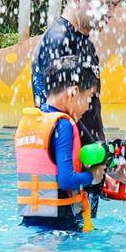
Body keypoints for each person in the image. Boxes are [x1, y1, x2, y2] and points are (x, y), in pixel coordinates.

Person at [31, 0, 126, 200]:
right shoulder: (59, 43)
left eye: (116, 5)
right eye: (107, 4)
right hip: (63, 184)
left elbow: (87, 115)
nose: (112, 13)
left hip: (83, 169)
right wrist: (103, 166)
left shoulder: (83, 43)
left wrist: (106, 164)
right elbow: (63, 117)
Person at [15, 55, 106, 232]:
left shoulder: (34, 121)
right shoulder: (63, 125)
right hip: (60, 226)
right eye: (88, 98)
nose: (89, 107)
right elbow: (66, 180)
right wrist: (93, 176)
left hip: (30, 221)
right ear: (72, 93)